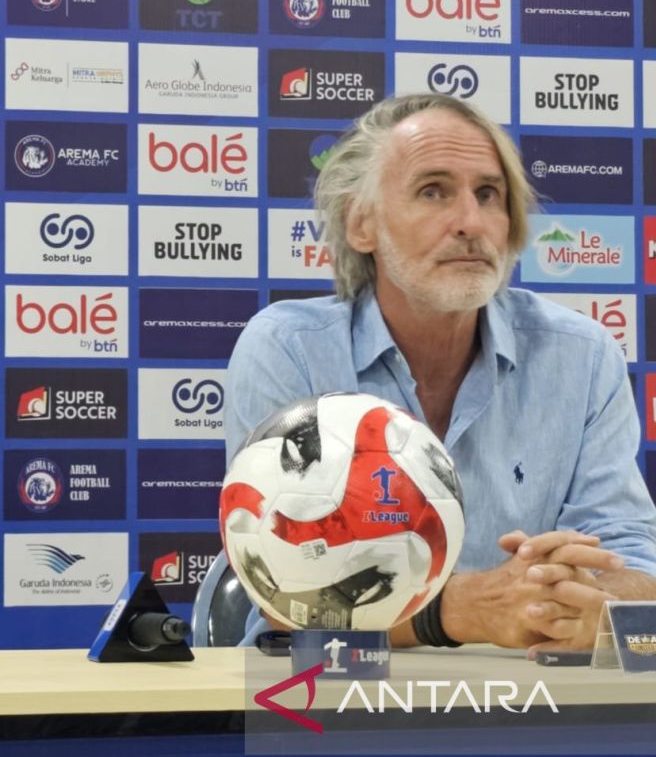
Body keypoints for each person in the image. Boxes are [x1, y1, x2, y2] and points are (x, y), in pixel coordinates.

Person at [224, 93, 656, 656]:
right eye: (433, 192)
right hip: (323, 692)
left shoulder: (584, 355)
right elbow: (281, 590)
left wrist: (589, 603)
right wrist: (459, 611)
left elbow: (633, 555)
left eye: (488, 195)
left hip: (527, 696)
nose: (471, 223)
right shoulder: (289, 348)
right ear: (361, 224)